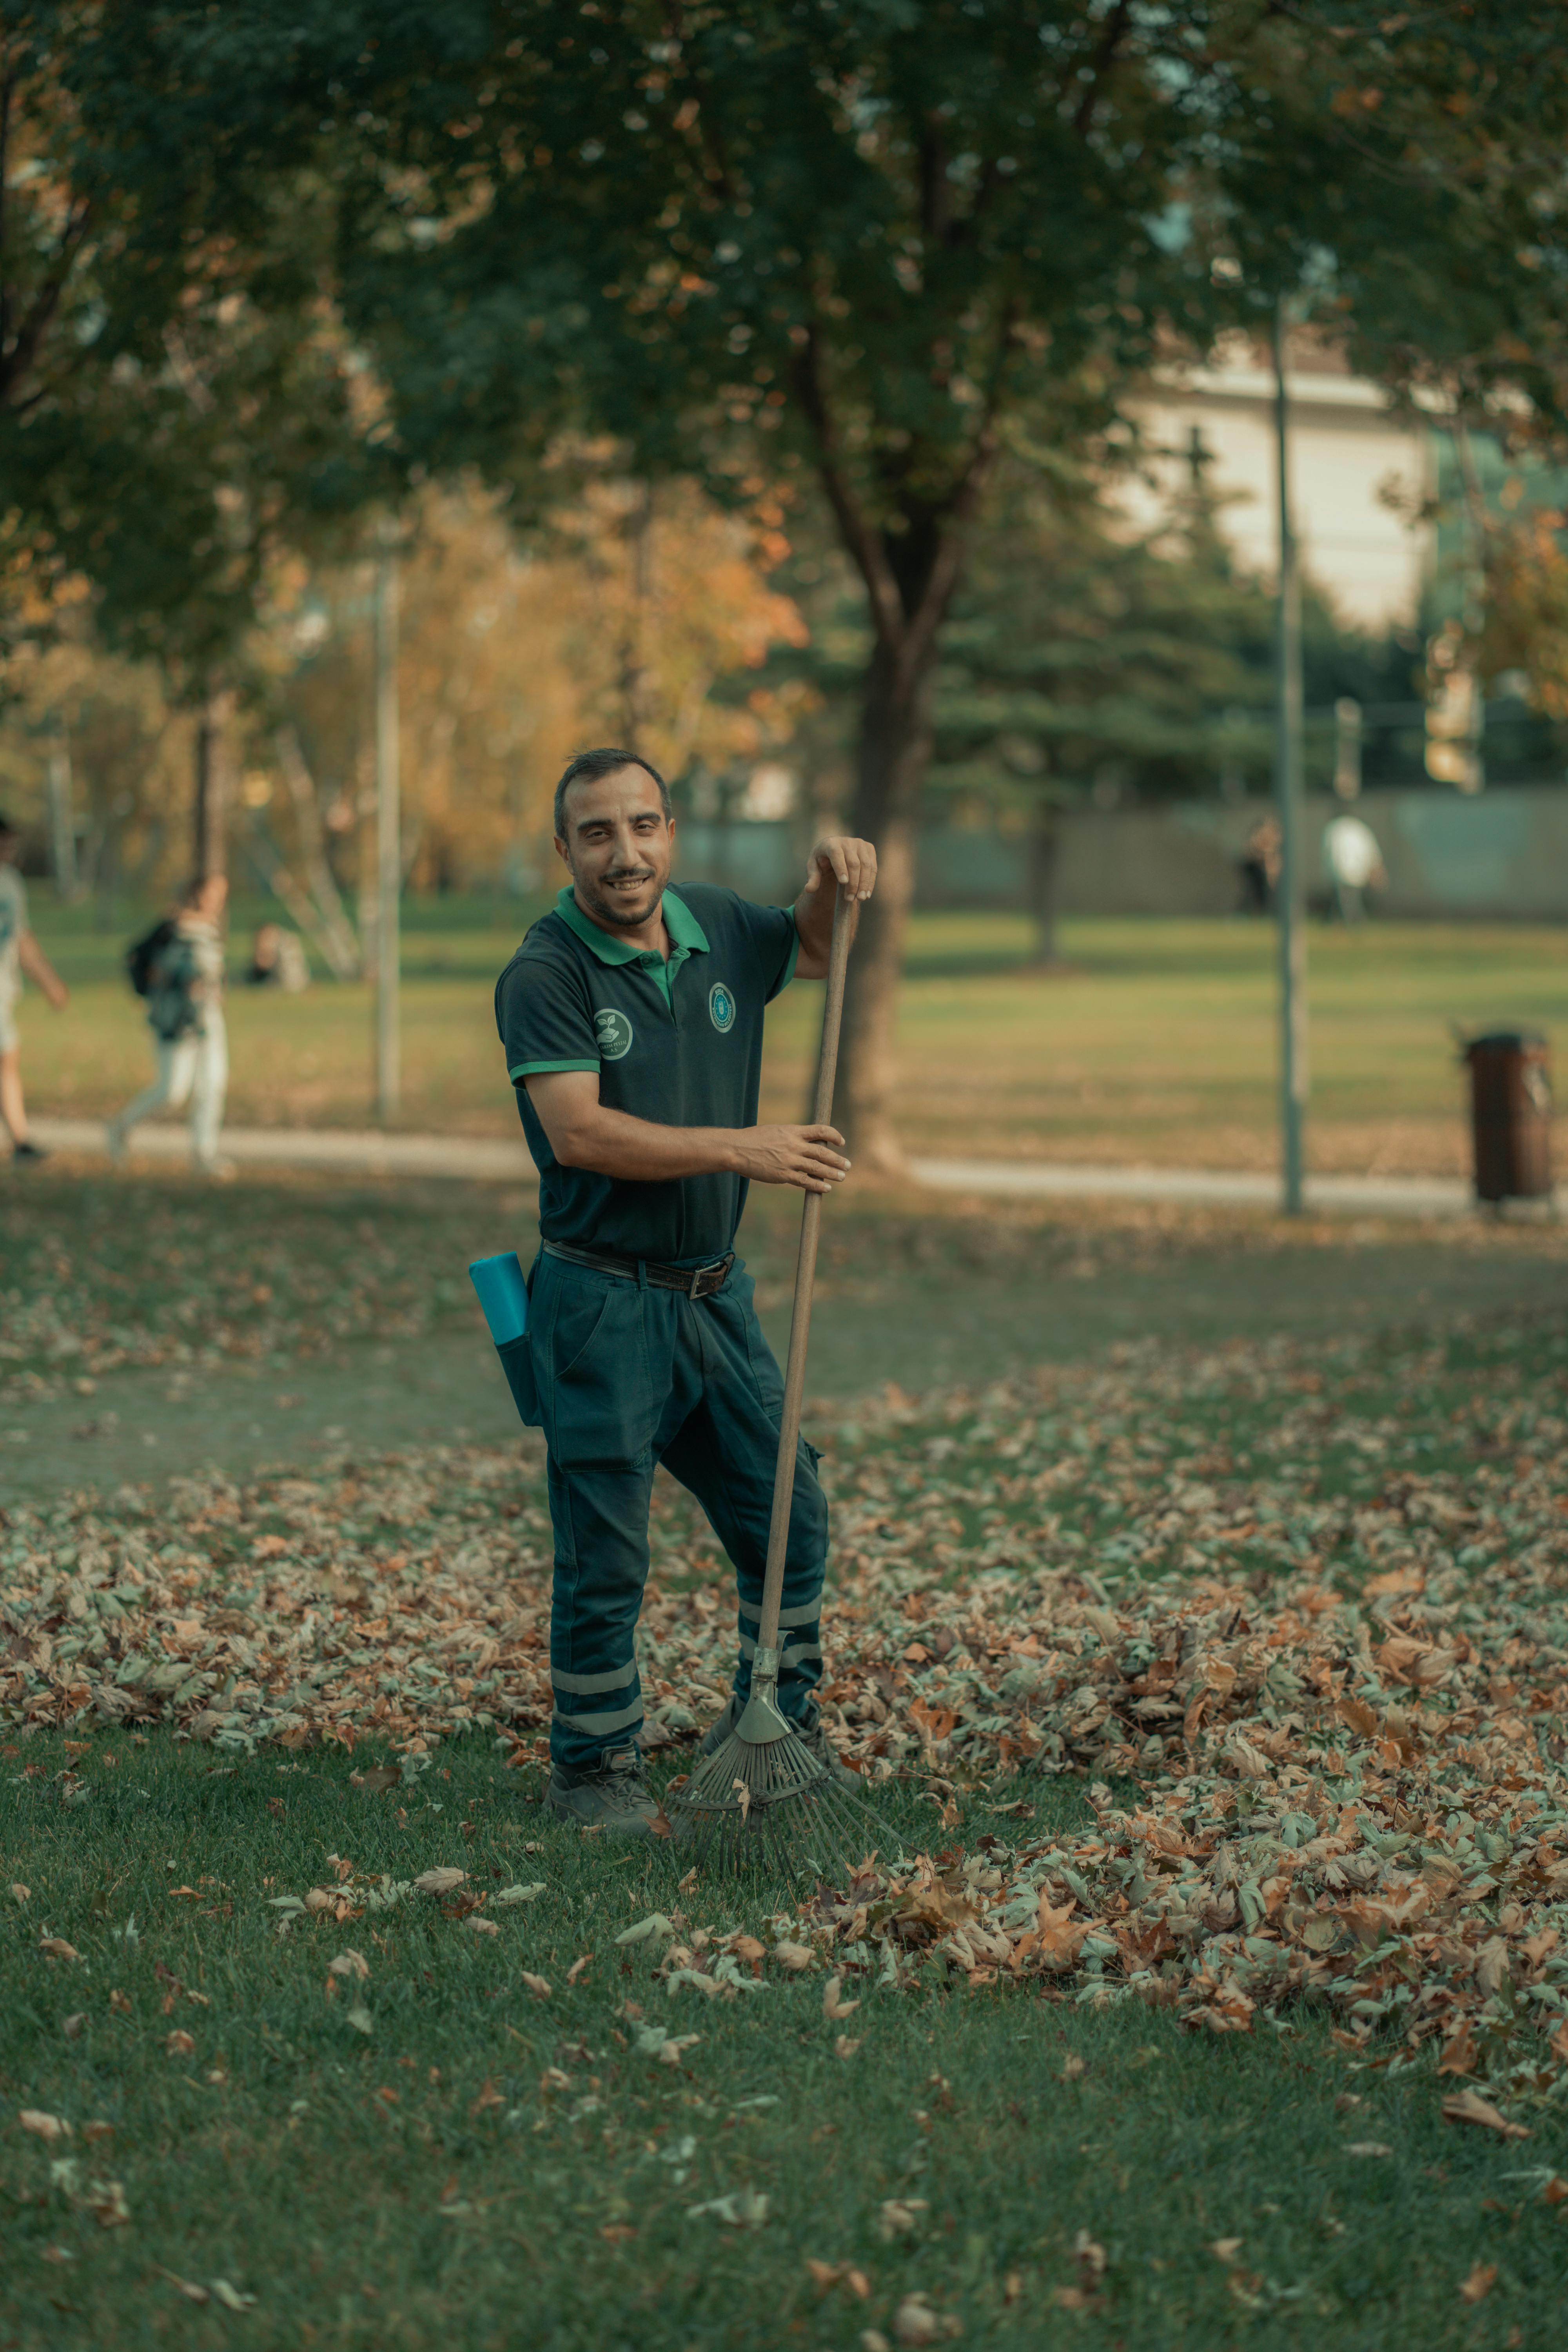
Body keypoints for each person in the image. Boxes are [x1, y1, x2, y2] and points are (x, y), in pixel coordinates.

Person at [494, 746, 877, 1839]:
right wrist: (741, 1149)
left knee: (790, 1517)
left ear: (671, 832)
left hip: (713, 1297)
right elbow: (578, 1131)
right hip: (600, 1302)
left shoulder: (712, 924)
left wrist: (827, 878)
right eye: (599, 833)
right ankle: (592, 1771)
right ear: (564, 848)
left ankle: (772, 1729)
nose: (627, 853)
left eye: (645, 826)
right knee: (607, 1552)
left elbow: (811, 944)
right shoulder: (547, 971)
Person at [107, 872, 232, 1176]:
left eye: (222, 895)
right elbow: (138, 959)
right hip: (175, 1019)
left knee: (212, 1084)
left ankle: (204, 1153)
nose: (216, 902)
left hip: (208, 1016)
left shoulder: (213, 929)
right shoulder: (172, 927)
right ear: (196, 892)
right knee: (172, 1090)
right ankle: (122, 1126)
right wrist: (155, 989)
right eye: (211, 894)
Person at [0, 810, 70, 1166]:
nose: (9, 850)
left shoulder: (11, 882)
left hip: (2, 991)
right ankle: (19, 1137)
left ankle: (20, 1138)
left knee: (7, 1061)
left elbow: (21, 937)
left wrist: (49, 983)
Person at [1323, 811, 1387, 925]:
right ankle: (1351, 922)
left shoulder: (1336, 828)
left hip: (1343, 871)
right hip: (1354, 871)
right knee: (1348, 900)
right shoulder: (1358, 829)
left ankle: (1348, 922)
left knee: (1347, 900)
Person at [245, 921, 309, 991]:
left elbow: (263, 964)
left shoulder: (282, 947)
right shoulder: (289, 941)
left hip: (285, 983)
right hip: (295, 982)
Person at [1238, 814, 1280, 914]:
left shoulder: (1275, 837)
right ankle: (1248, 912)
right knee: (1254, 891)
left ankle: (1267, 910)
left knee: (1267, 891)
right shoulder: (1257, 836)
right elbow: (1251, 852)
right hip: (1254, 868)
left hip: (1265, 869)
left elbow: (1274, 857)